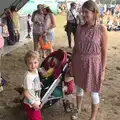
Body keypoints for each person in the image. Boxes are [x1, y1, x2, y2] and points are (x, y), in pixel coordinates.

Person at [71, 1, 108, 120]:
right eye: (82, 12)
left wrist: (102, 71)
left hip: (94, 64)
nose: (83, 14)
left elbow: (104, 52)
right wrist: (72, 63)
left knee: (94, 92)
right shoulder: (79, 28)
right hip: (79, 62)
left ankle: (93, 117)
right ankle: (78, 110)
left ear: (94, 12)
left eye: (86, 12)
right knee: (79, 88)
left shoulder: (101, 29)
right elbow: (75, 47)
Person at [23, 50, 42, 120]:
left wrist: (38, 83)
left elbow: (35, 80)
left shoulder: (35, 70)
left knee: (34, 117)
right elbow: (25, 93)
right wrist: (33, 103)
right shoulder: (28, 77)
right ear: (26, 64)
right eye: (30, 63)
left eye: (35, 62)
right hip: (30, 103)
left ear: (38, 62)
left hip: (35, 99)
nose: (33, 65)